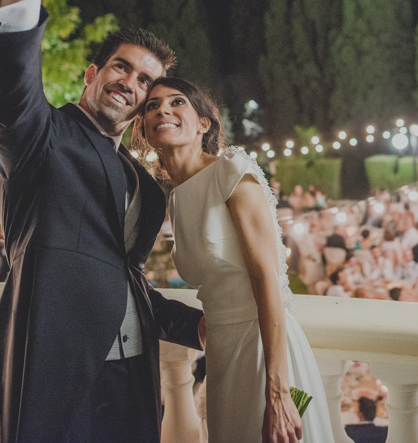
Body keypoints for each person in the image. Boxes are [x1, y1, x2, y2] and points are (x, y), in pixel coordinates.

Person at [0, 0, 203, 443]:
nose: (130, 82)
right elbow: (7, 92)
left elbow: (120, 276)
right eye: (121, 68)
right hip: (58, 373)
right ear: (92, 74)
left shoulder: (143, 186)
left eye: (146, 81)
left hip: (133, 376)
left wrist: (194, 325)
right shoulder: (41, 137)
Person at [140, 77, 334, 443]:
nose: (162, 109)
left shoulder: (230, 171)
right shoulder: (177, 198)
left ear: (203, 123)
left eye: (176, 102)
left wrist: (277, 390)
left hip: (265, 350)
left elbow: (267, 280)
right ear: (145, 130)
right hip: (221, 352)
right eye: (152, 106)